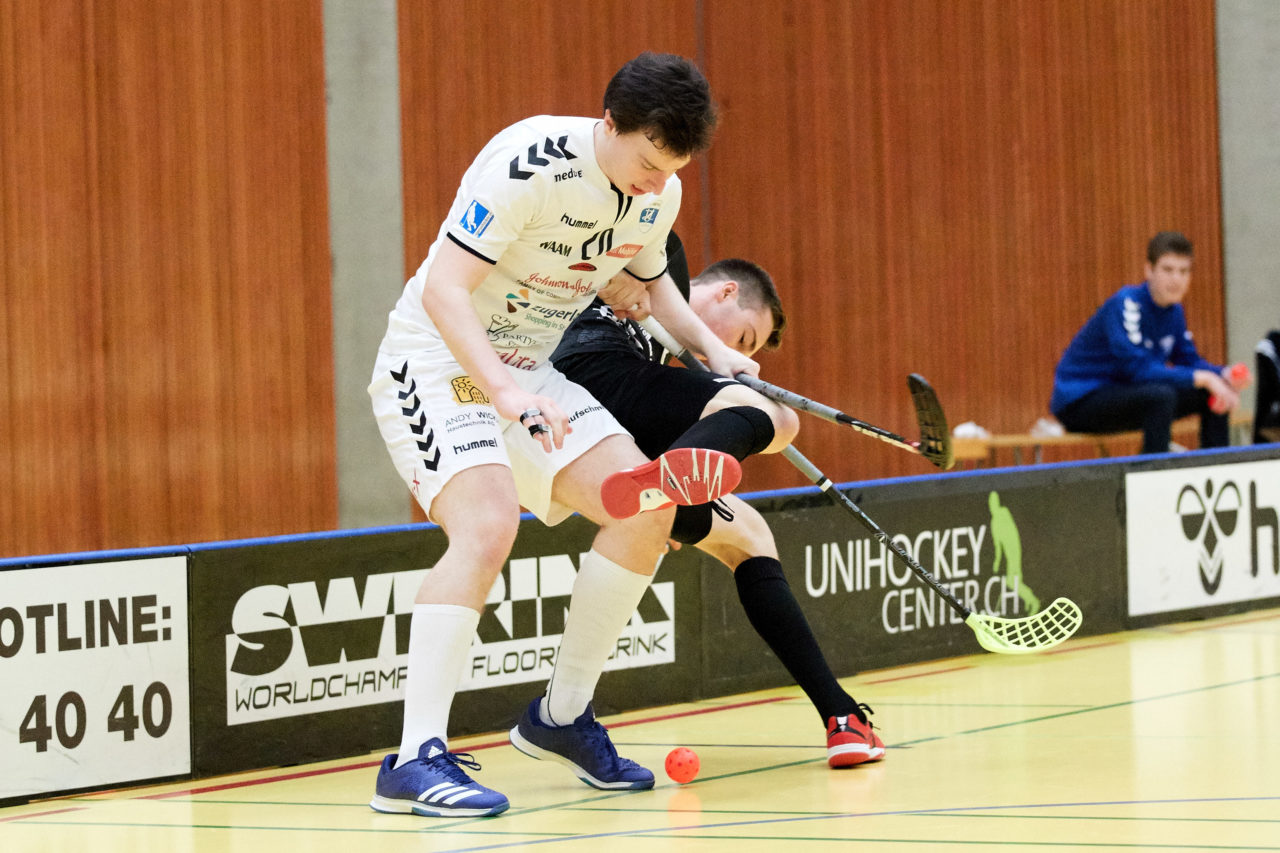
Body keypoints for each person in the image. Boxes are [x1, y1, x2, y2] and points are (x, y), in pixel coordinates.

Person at [367, 52, 756, 818]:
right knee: (483, 529)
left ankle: (562, 716)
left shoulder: (658, 194)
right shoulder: (529, 162)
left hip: (527, 372)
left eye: (670, 168)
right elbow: (446, 287)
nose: (655, 182)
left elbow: (654, 284)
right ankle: (412, 759)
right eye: (645, 161)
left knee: (644, 507)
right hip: (439, 359)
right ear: (608, 123)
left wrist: (715, 352)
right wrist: (505, 392)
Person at [550, 232, 886, 768]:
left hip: (607, 428)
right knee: (777, 417)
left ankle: (842, 718)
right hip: (583, 373)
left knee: (749, 535)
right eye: (747, 339)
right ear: (726, 293)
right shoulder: (663, 255)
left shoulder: (663, 346)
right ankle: (667, 482)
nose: (743, 353)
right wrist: (715, 352)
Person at [1050, 231, 1251, 454]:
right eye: (1168, 270)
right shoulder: (1126, 304)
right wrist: (1204, 378)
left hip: (1129, 394)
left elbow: (1189, 361)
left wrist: (1224, 375)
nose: (1176, 279)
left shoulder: (1174, 311)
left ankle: (1215, 469)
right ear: (1149, 270)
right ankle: (1153, 475)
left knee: (1212, 393)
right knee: (1160, 396)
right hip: (1080, 401)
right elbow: (1137, 370)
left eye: (1183, 271)